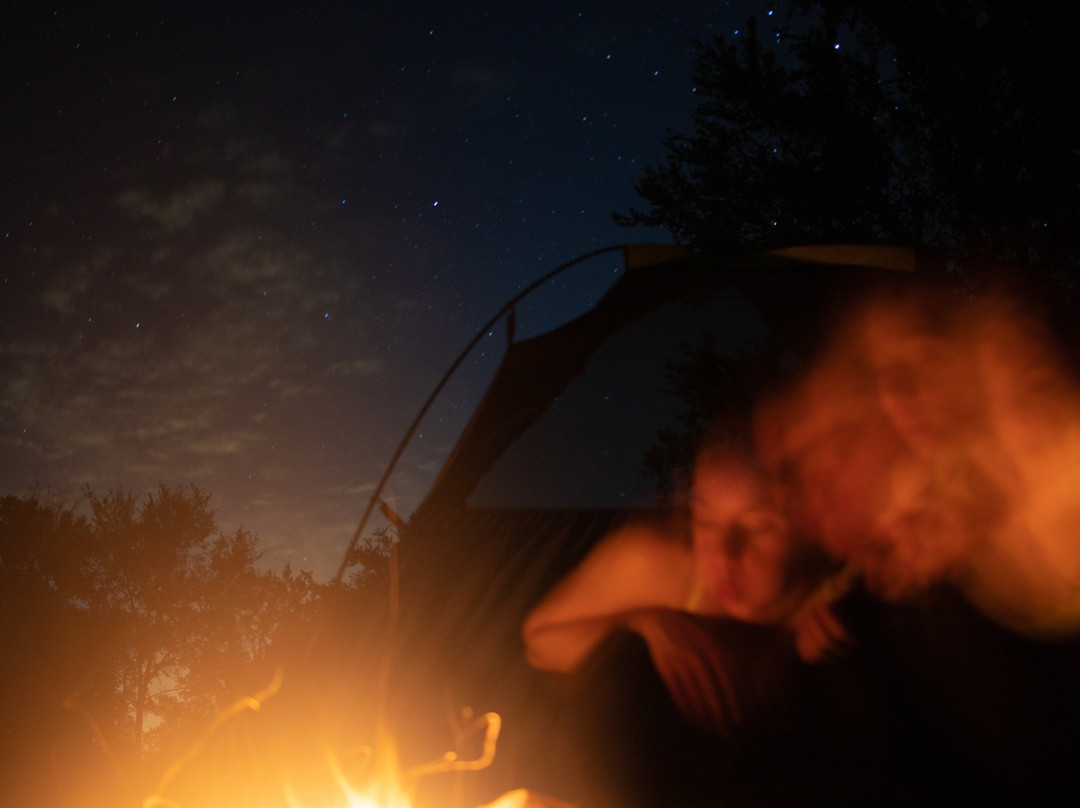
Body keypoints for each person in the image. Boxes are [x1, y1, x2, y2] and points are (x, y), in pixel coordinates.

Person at [522, 440, 850, 734]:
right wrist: (637, 624)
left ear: (810, 529)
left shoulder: (847, 587)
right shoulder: (656, 561)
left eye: (760, 525)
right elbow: (540, 641)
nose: (723, 555)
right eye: (705, 520)